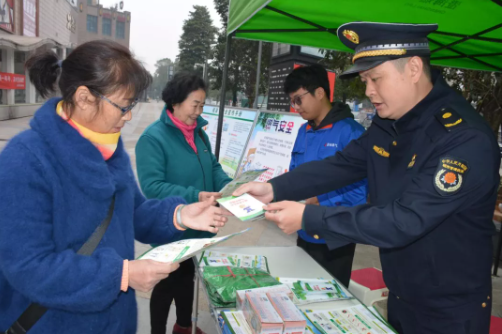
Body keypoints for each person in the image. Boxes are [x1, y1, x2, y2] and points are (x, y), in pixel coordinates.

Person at [234, 22, 500, 334]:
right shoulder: (391, 122)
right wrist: (273, 188)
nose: (369, 90)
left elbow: (403, 220)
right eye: (364, 80)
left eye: (375, 79)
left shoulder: (462, 138)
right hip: (401, 294)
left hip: (449, 310)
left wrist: (309, 217)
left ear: (413, 68)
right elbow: (342, 164)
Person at [0, 41, 228, 334]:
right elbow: (29, 267)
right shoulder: (26, 160)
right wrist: (120, 275)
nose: (130, 115)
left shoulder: (108, 146)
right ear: (84, 98)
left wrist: (180, 215)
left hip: (116, 322)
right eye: (124, 105)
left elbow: (134, 213)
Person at [136, 73, 231, 334]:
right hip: (171, 223)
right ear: (176, 102)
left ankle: (184, 326)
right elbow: (152, 187)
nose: (199, 111)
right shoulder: (153, 138)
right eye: (195, 105)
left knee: (186, 275)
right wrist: (196, 196)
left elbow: (212, 166)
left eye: (203, 105)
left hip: (198, 225)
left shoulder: (199, 133)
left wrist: (230, 185)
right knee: (167, 281)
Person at [285, 64, 367, 287]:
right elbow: (295, 173)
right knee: (300, 293)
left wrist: (318, 200)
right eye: (292, 101)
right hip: (304, 231)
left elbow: (362, 192)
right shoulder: (304, 131)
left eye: (298, 100)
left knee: (329, 301)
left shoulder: (351, 133)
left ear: (319, 93)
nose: (296, 107)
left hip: (335, 238)